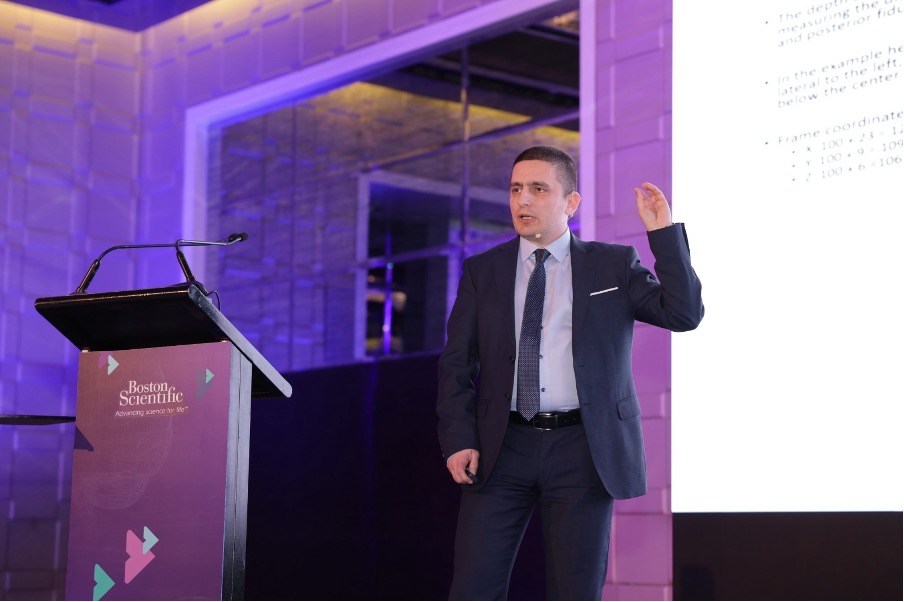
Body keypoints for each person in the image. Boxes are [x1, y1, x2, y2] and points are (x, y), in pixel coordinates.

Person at [435, 145, 704, 600]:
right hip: (502, 447)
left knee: (575, 591)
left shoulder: (612, 264)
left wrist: (662, 234)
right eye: (516, 189)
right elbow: (457, 362)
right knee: (473, 589)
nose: (523, 200)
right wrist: (459, 437)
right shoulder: (483, 270)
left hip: (584, 449)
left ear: (571, 202)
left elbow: (683, 313)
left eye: (538, 189)